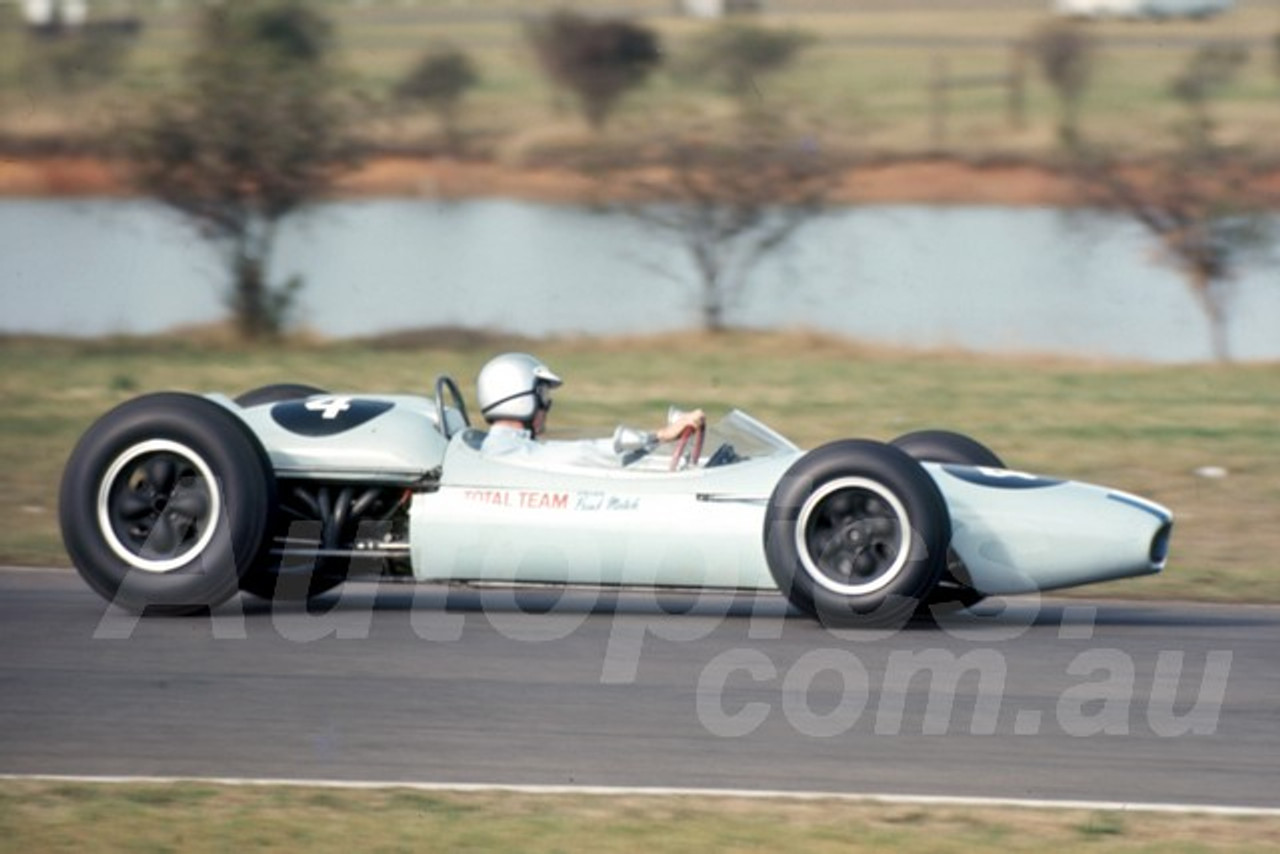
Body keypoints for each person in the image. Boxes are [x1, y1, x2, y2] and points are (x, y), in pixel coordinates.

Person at [475, 352, 705, 467]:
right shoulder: (503, 452)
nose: (548, 405)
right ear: (518, 398)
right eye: (543, 395)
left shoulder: (516, 447)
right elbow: (582, 454)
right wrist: (659, 435)